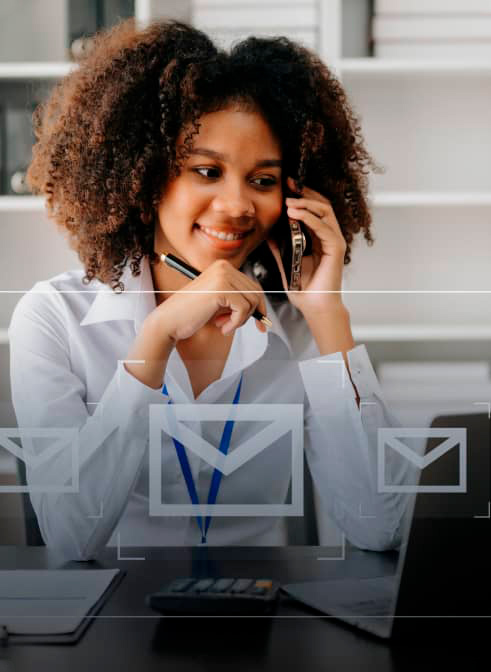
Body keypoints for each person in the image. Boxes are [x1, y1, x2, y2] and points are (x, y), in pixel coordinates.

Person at [9, 19, 408, 560]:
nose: (238, 205)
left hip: (265, 618)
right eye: (206, 171)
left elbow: (380, 526)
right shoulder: (54, 317)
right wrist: (156, 337)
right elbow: (71, 536)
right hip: (111, 625)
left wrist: (327, 315)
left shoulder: (297, 325)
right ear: (145, 175)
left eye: (264, 180)